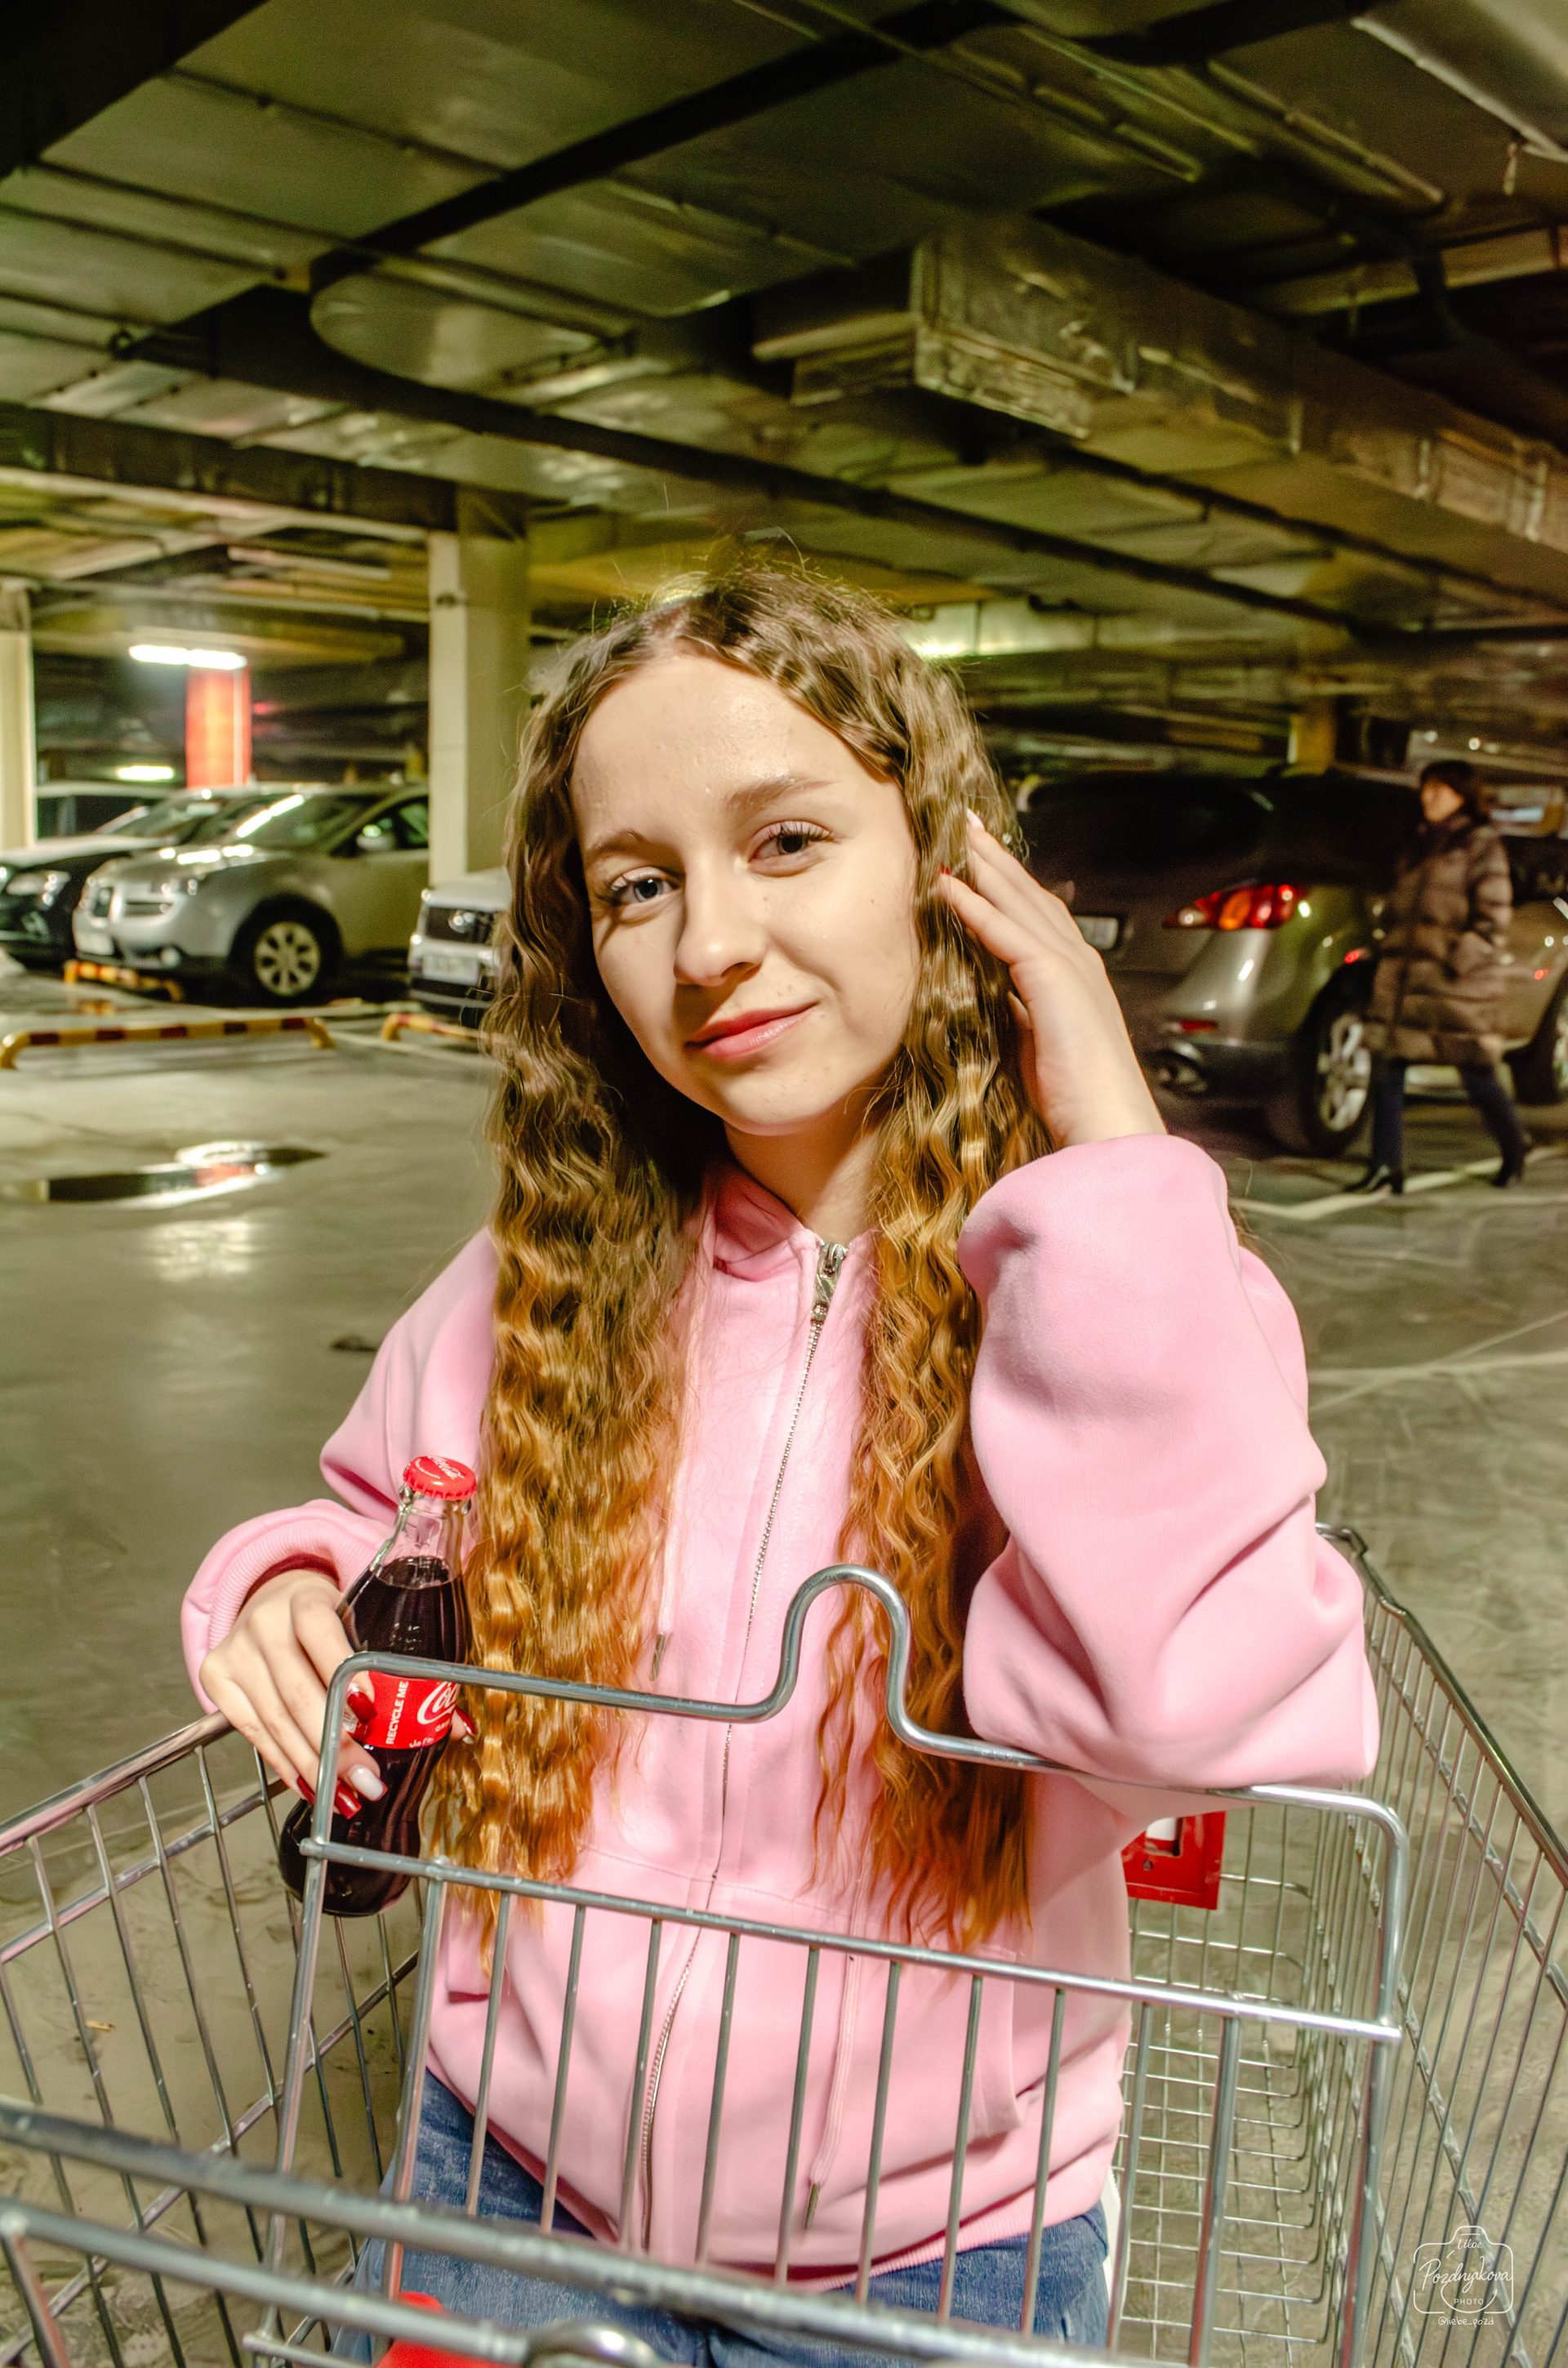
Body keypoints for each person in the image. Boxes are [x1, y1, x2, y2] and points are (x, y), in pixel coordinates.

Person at [183, 569, 1377, 2361]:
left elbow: (1184, 1708)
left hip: (936, 2250)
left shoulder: (1122, 1296)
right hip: (503, 2183)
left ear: (948, 867)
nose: (709, 944)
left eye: (788, 840)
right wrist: (290, 1582)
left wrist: (1118, 1161)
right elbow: (385, 1516)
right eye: (638, 884)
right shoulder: (538, 1281)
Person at [1353, 759, 1530, 1194]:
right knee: (1387, 1070)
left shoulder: (1481, 845)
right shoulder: (1418, 843)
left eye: (1439, 789)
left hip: (1455, 987)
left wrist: (1455, 960)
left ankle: (1514, 1146)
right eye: (1426, 788)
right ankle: (1386, 1166)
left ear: (1461, 795)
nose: (1427, 797)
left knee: (1477, 1076)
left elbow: (1493, 920)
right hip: (1406, 982)